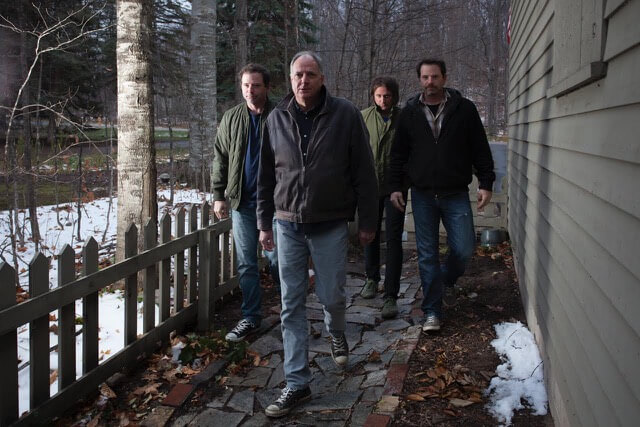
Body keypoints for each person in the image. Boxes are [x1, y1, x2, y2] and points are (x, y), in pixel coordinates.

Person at [257, 51, 378, 418]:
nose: (303, 80)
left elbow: (364, 170)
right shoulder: (276, 118)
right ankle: (297, 383)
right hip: (287, 224)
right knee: (291, 304)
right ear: (290, 78)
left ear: (322, 78)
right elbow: (265, 176)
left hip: (329, 223)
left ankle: (336, 331)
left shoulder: (346, 115)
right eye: (298, 74)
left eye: (310, 74)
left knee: (332, 296)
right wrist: (264, 223)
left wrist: (368, 221)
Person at [388, 59, 495, 332]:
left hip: (455, 192)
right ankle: (432, 312)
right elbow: (398, 154)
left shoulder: (464, 109)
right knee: (427, 255)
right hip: (422, 194)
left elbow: (480, 148)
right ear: (420, 79)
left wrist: (486, 182)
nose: (430, 82)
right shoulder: (410, 112)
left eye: (435, 77)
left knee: (464, 248)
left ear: (444, 78)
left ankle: (445, 279)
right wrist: (395, 186)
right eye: (425, 77)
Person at [211, 63, 279, 342]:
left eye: (256, 85)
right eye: (246, 85)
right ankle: (251, 317)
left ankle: (290, 312)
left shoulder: (280, 115)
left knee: (278, 260)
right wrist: (218, 194)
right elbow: (220, 157)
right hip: (242, 203)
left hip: (275, 204)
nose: (250, 90)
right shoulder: (231, 118)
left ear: (267, 87)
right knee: (246, 264)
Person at [359, 76, 406, 320]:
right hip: (370, 186)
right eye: (378, 96)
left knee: (394, 238)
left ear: (394, 96)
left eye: (387, 96)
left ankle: (391, 294)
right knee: (370, 233)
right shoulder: (363, 117)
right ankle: (371, 278)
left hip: (396, 187)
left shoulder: (404, 118)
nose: (383, 100)